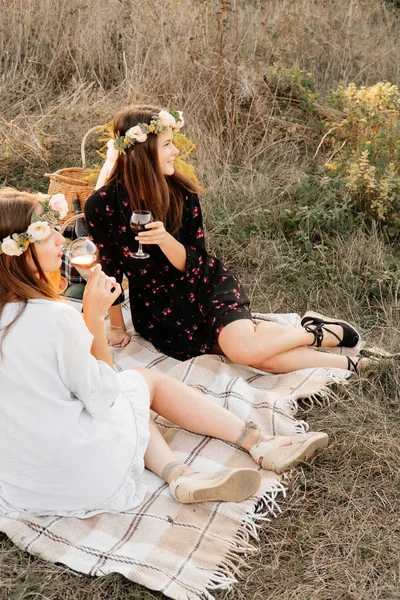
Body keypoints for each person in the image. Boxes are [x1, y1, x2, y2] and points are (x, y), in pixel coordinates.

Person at [0, 188, 330, 517]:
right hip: (78, 481)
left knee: (133, 394)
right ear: (19, 252)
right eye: (48, 235)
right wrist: (92, 319)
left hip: (22, 484)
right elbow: (104, 398)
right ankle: (259, 443)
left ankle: (180, 475)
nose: (61, 240)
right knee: (142, 383)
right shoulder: (57, 318)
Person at [85, 105, 368, 375]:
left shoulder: (181, 193)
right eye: (167, 145)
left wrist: (164, 239)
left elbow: (196, 262)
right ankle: (344, 357)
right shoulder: (101, 205)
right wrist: (118, 327)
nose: (176, 151)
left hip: (204, 289)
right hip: (159, 314)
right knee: (250, 353)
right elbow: (110, 269)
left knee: (245, 349)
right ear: (141, 154)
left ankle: (316, 336)